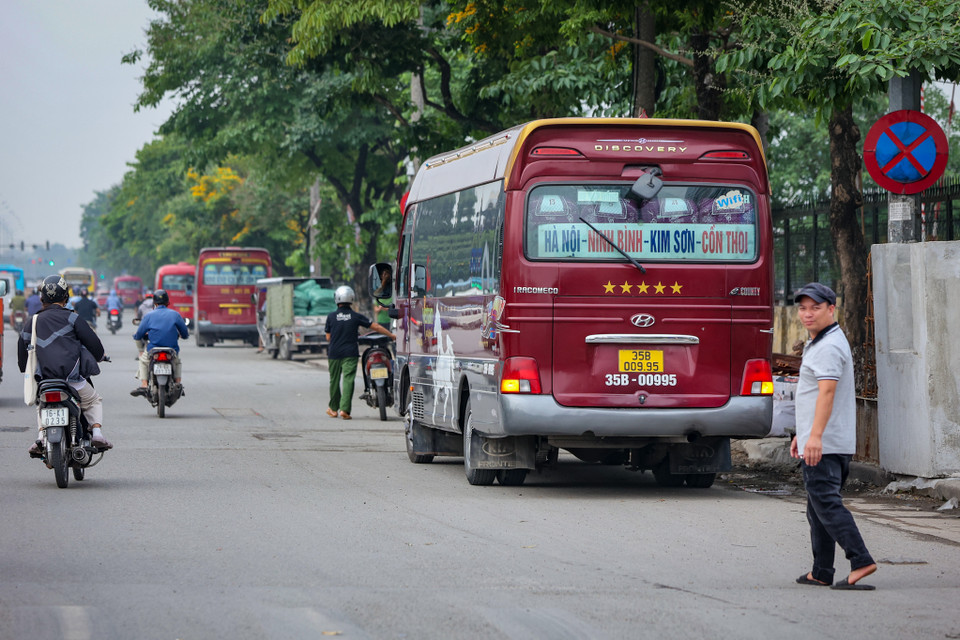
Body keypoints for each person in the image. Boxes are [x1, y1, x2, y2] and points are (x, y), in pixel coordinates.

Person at [791, 282, 877, 591]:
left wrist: (814, 437)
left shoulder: (827, 347)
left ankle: (861, 559)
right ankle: (822, 571)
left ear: (831, 308)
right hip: (825, 440)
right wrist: (803, 434)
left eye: (815, 307)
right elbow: (814, 396)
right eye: (803, 308)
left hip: (825, 444)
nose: (808, 313)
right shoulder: (822, 341)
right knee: (817, 508)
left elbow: (827, 394)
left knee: (826, 504)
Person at [17, 275, 112, 453]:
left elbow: (22, 351)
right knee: (93, 401)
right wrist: (100, 356)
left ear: (42, 298)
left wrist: (24, 368)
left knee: (41, 404)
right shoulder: (73, 318)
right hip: (72, 381)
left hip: (45, 382)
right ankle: (97, 433)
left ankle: (41, 437)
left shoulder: (33, 322)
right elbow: (95, 345)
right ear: (66, 297)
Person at [324, 285, 395, 420]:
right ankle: (344, 410)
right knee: (348, 380)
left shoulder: (331, 317)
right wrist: (391, 335)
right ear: (351, 298)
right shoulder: (355, 316)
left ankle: (333, 409)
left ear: (337, 299)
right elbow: (375, 326)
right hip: (350, 353)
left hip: (334, 353)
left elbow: (328, 337)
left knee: (334, 381)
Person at [131, 289, 189, 396]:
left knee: (143, 361)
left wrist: (136, 336)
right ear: (168, 302)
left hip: (153, 350)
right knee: (177, 362)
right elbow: (185, 333)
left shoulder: (148, 316)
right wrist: (183, 335)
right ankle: (178, 384)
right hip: (171, 350)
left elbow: (139, 334)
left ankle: (144, 384)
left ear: (154, 303)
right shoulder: (175, 315)